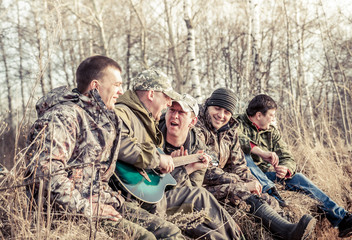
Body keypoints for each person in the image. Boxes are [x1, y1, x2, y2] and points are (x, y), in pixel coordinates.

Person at [25, 55, 182, 239]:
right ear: (95, 86)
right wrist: (87, 208)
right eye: (116, 85)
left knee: (170, 232)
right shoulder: (62, 118)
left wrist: (114, 201)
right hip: (72, 213)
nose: (121, 91)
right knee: (146, 238)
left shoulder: (105, 120)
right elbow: (46, 176)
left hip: (104, 204)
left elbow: (99, 179)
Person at [111, 70, 242, 239]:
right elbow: (118, 142)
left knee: (210, 233)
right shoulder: (125, 113)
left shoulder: (147, 121)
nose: (168, 106)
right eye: (167, 100)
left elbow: (164, 182)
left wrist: (184, 169)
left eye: (181, 112)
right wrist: (159, 160)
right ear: (151, 94)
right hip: (136, 200)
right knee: (199, 198)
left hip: (149, 196)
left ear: (192, 121)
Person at [196, 88, 316, 240]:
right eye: (217, 109)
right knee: (238, 190)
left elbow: (239, 164)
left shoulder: (230, 131)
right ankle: (286, 232)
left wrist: (253, 182)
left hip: (221, 182)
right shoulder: (197, 127)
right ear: (208, 106)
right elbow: (205, 170)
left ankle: (290, 228)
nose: (221, 115)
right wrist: (242, 184)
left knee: (266, 198)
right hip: (200, 187)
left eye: (227, 112)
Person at [236, 94, 352, 238]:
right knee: (244, 156)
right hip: (244, 175)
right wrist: (261, 152)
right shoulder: (236, 122)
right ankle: (274, 197)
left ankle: (342, 219)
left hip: (264, 176)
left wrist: (286, 169)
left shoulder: (271, 132)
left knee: (298, 178)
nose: (274, 119)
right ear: (258, 115)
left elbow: (287, 156)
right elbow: (237, 139)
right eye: (271, 115)